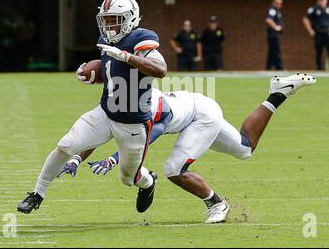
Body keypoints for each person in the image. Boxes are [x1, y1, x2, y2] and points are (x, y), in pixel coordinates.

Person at [61, 73, 316, 224]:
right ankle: (277, 93)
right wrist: (75, 159)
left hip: (201, 116)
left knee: (173, 169)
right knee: (244, 148)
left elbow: (147, 138)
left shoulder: (148, 109)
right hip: (198, 105)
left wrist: (113, 160)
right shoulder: (120, 102)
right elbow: (98, 132)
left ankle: (216, 203)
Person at [17, 0, 167, 215]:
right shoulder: (105, 40)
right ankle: (37, 194)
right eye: (105, 19)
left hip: (133, 124)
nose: (108, 25)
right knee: (66, 145)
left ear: (131, 17)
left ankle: (149, 182)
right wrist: (91, 74)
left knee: (129, 177)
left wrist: (126, 57)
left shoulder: (142, 39)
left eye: (114, 19)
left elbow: (160, 70)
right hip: (105, 113)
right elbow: (112, 73)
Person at [303, 0, 329, 70]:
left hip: (327, 33)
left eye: (323, 0)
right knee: (319, 52)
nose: (321, 1)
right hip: (318, 34)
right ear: (317, 1)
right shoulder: (313, 9)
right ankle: (319, 69)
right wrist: (310, 30)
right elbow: (305, 19)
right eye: (320, 0)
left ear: (326, 0)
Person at [265, 0, 284, 70]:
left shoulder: (277, 11)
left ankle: (268, 67)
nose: (278, 5)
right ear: (273, 3)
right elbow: (268, 19)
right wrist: (276, 27)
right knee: (276, 51)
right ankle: (280, 67)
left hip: (275, 35)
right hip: (273, 35)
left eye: (280, 4)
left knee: (271, 52)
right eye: (277, 3)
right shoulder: (272, 10)